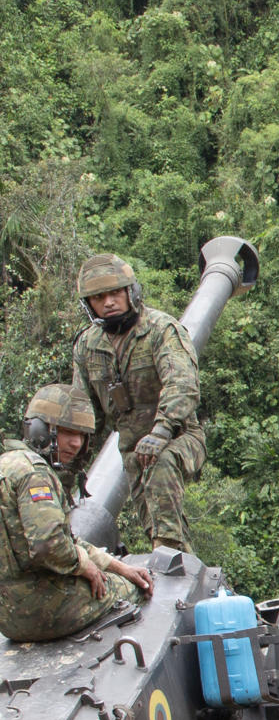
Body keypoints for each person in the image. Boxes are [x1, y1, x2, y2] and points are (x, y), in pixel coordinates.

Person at [69, 252, 204, 554]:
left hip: (180, 438)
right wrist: (68, 464)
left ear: (131, 292)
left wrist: (161, 431)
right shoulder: (87, 346)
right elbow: (83, 411)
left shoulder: (160, 330)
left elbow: (182, 383)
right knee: (158, 530)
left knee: (162, 470)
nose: (108, 302)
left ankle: (170, 558)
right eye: (98, 297)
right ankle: (180, 572)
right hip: (133, 452)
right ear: (88, 304)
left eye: (115, 292)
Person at [0, 385, 154, 642]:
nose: (75, 443)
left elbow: (66, 540)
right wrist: (86, 567)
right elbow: (49, 545)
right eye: (67, 432)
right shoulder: (35, 474)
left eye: (81, 435)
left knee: (120, 576)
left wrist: (117, 566)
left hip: (8, 617)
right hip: (44, 611)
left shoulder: (8, 465)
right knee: (137, 589)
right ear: (40, 431)